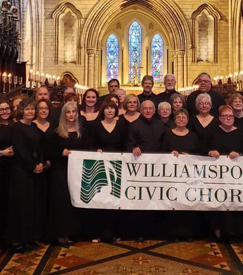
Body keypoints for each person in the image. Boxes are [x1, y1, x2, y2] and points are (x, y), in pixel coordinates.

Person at [207, 105, 243, 241]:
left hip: (236, 177)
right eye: (225, 116)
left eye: (230, 116)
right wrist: (210, 152)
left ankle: (235, 231)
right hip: (217, 176)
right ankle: (218, 230)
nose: (228, 118)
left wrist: (239, 154)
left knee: (234, 202)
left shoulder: (240, 133)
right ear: (219, 118)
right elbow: (202, 148)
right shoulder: (213, 132)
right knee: (218, 201)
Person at [6, 98, 45, 250]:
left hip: (35, 170)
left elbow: (39, 147)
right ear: (21, 111)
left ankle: (29, 237)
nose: (30, 112)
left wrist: (41, 162)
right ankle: (18, 240)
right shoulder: (17, 127)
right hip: (21, 170)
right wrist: (33, 166)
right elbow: (20, 150)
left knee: (32, 205)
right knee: (21, 205)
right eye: (27, 109)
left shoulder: (34, 126)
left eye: (32, 109)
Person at [89, 100, 129, 242]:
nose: (110, 111)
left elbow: (127, 143)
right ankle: (98, 232)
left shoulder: (122, 125)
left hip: (118, 167)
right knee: (101, 198)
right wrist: (96, 150)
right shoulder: (95, 125)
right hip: (100, 167)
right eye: (107, 108)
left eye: (112, 108)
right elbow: (89, 144)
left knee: (115, 198)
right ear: (103, 111)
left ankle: (116, 232)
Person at [49, 101, 88, 244]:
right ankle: (60, 234)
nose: (71, 115)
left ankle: (72, 232)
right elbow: (50, 152)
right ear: (63, 114)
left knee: (74, 201)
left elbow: (87, 149)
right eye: (68, 112)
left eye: (73, 112)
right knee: (61, 202)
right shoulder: (57, 132)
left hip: (77, 171)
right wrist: (61, 152)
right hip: (60, 171)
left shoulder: (82, 131)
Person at [126, 100, 166, 239]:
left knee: (156, 198)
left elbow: (164, 145)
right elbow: (129, 144)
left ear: (155, 111)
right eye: (145, 108)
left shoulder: (161, 125)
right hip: (139, 168)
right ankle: (139, 232)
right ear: (141, 110)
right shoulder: (134, 125)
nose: (148, 111)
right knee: (140, 199)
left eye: (150, 108)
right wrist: (133, 148)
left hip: (157, 169)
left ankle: (154, 231)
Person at [161, 108, 201, 239]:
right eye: (178, 117)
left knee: (188, 202)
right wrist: (170, 154)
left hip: (189, 175)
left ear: (188, 120)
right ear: (174, 120)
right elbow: (161, 152)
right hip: (172, 175)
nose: (181, 119)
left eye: (184, 117)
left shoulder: (193, 136)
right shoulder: (167, 134)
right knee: (173, 201)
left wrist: (190, 156)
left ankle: (188, 232)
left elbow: (199, 153)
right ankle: (173, 233)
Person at [0, 99, 15, 246]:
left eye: (7, 109)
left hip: (14, 168)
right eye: (1, 109)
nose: (4, 112)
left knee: (12, 203)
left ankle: (11, 235)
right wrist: (1, 152)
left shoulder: (16, 126)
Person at [33, 99, 55, 242]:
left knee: (49, 199)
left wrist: (49, 161)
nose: (43, 111)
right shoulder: (31, 125)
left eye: (46, 108)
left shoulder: (53, 126)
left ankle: (47, 231)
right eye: (40, 108)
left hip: (51, 166)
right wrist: (39, 162)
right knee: (36, 200)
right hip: (35, 167)